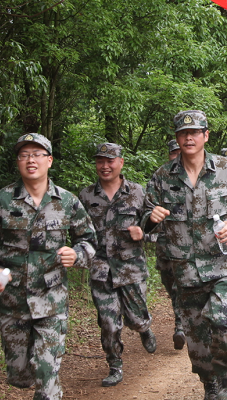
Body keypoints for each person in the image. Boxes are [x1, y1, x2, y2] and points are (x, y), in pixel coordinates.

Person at [142, 110, 227, 400]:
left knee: (221, 323)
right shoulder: (163, 176)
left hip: (222, 265)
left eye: (195, 132)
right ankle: (208, 382)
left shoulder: (226, 169)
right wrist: (151, 218)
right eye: (183, 133)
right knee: (196, 336)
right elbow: (144, 218)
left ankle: (223, 377)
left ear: (206, 135)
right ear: (177, 138)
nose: (189, 137)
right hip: (184, 269)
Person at [0, 133, 96, 400]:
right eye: (24, 155)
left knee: (46, 373)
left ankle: (50, 392)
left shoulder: (67, 202)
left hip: (51, 299)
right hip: (12, 301)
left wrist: (77, 254)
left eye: (37, 154)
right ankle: (28, 378)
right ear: (18, 162)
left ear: (49, 160)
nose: (31, 160)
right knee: (20, 375)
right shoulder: (0, 200)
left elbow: (89, 240)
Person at [78, 143, 156, 387]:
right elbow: (78, 232)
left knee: (136, 319)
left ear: (121, 163)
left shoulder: (138, 193)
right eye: (100, 161)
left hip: (131, 268)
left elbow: (157, 226)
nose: (105, 166)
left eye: (110, 161)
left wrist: (143, 233)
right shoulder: (85, 196)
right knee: (109, 322)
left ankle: (144, 327)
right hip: (101, 269)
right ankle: (115, 365)